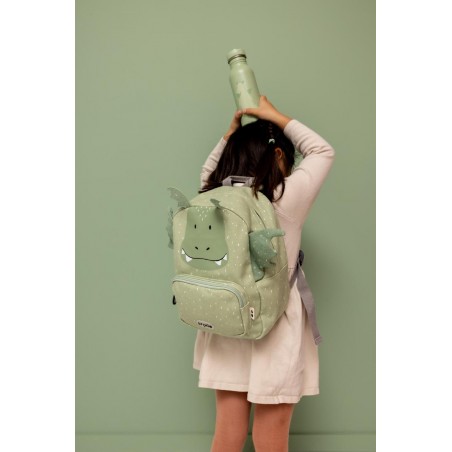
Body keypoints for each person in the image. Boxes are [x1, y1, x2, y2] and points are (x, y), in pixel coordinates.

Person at [194, 95, 335, 452]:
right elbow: (322, 151)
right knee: (271, 439)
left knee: (227, 434)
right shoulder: (284, 198)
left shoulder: (214, 196)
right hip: (274, 324)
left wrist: (230, 135)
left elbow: (207, 172)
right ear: (278, 154)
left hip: (226, 320)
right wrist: (275, 116)